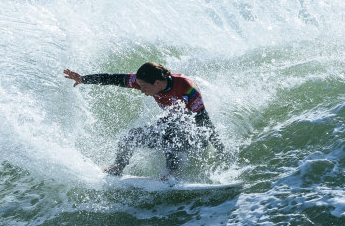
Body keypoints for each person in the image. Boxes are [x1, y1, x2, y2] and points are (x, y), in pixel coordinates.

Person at [64, 62, 225, 178]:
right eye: (139, 86)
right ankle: (117, 167)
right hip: (172, 129)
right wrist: (84, 79)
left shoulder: (186, 87)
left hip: (195, 137)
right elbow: (112, 79)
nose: (141, 90)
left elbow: (205, 122)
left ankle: (172, 174)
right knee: (132, 136)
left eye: (144, 87)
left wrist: (220, 151)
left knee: (174, 128)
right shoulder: (145, 81)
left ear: (157, 82)